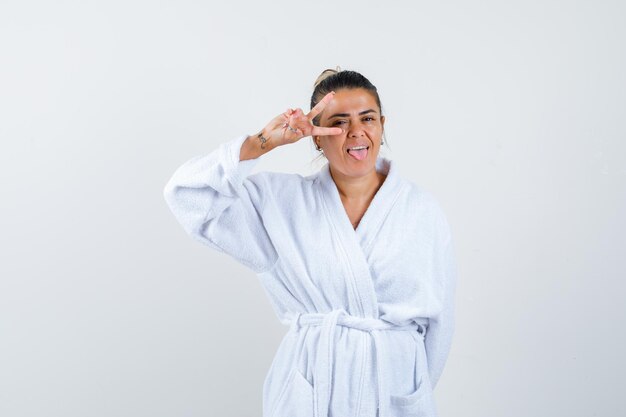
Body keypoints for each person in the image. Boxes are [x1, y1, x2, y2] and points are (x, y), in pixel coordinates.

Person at [163, 68, 458, 417]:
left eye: (368, 118)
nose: (356, 132)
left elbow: (439, 325)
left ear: (382, 124)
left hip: (394, 389)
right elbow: (187, 196)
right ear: (316, 137)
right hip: (311, 389)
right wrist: (263, 142)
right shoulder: (281, 203)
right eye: (339, 122)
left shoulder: (421, 210)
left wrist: (413, 389)